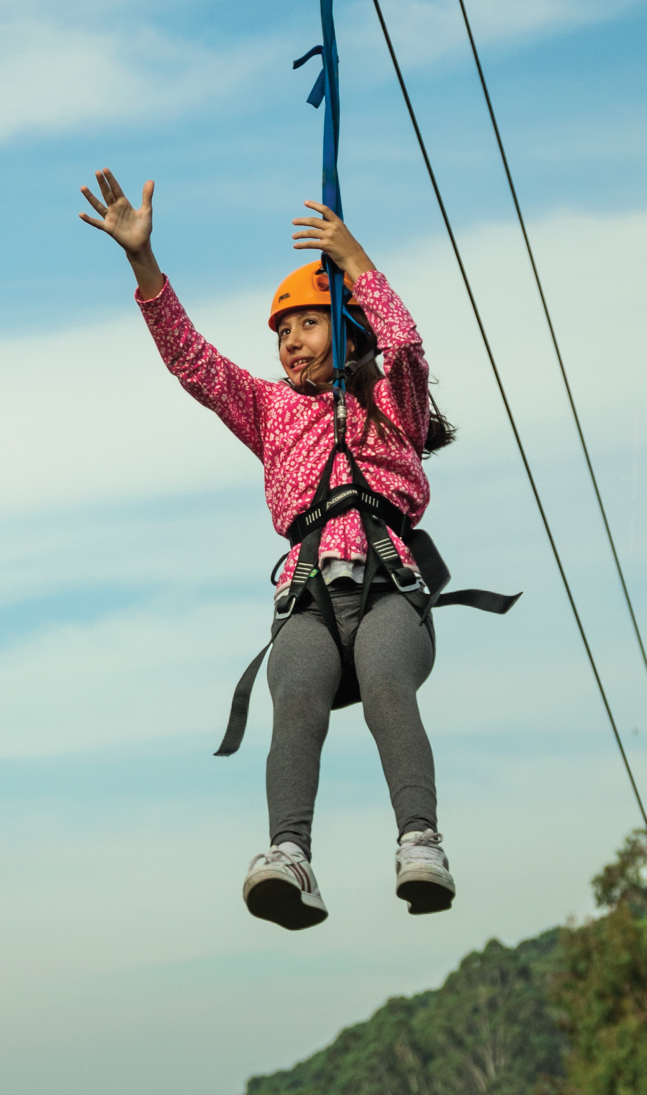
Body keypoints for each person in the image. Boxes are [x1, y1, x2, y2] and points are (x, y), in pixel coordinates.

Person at [78, 167, 460, 931]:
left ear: (347, 327)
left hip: (388, 588)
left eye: (307, 324)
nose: (290, 342)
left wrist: (356, 263)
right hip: (311, 596)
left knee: (387, 677)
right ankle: (290, 854)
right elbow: (192, 360)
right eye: (282, 331)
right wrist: (142, 262)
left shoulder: (391, 402)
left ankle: (419, 840)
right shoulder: (269, 408)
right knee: (295, 695)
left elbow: (409, 347)